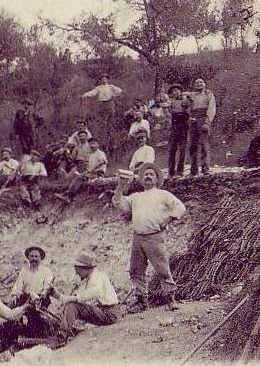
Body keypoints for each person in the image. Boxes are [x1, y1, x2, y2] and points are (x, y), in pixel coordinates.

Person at [112, 163, 187, 313]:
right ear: (140, 179)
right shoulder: (136, 197)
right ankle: (141, 301)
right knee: (136, 270)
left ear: (157, 178)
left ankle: (170, 299)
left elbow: (180, 207)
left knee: (162, 269)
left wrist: (167, 220)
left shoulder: (163, 194)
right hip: (137, 237)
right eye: (145, 174)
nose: (147, 176)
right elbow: (119, 203)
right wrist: (121, 185)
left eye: (151, 174)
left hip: (154, 237)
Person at [56, 254, 119, 342]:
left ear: (85, 268)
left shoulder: (96, 277)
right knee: (72, 305)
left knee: (73, 306)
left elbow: (95, 292)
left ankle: (62, 336)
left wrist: (75, 299)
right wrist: (60, 296)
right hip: (105, 311)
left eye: (77, 270)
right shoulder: (92, 277)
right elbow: (81, 295)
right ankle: (66, 331)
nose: (76, 273)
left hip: (109, 313)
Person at [9, 246, 57, 339]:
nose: (34, 259)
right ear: (28, 257)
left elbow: (48, 285)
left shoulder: (46, 271)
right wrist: (15, 295)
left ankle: (34, 336)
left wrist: (43, 294)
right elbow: (18, 285)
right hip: (26, 298)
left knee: (35, 316)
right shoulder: (24, 271)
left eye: (36, 256)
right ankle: (16, 335)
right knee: (14, 311)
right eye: (32, 256)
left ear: (40, 258)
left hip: (41, 298)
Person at [55, 137, 108, 204]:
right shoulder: (91, 154)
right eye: (91, 144)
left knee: (79, 178)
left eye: (94, 143)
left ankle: (69, 196)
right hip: (91, 173)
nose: (92, 145)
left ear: (98, 145)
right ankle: (67, 194)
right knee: (77, 176)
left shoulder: (100, 153)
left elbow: (102, 161)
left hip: (98, 174)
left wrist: (92, 169)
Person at [81, 75, 122, 149]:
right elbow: (92, 93)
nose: (104, 80)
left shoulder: (111, 87)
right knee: (103, 123)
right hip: (102, 105)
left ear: (107, 79)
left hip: (110, 104)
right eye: (102, 79)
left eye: (105, 79)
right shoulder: (99, 88)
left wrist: (114, 95)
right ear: (100, 80)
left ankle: (111, 137)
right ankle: (103, 139)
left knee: (111, 122)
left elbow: (119, 90)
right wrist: (85, 95)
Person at [187, 78, 216, 176]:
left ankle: (206, 168)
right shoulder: (192, 96)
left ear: (204, 84)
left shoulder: (209, 95)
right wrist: (190, 117)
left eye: (201, 82)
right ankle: (193, 169)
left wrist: (207, 122)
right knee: (192, 146)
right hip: (193, 120)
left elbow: (211, 108)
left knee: (204, 145)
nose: (199, 84)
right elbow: (186, 105)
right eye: (197, 82)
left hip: (203, 119)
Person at [167, 84, 191, 178]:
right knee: (172, 149)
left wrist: (185, 96)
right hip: (174, 127)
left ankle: (180, 171)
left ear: (180, 91)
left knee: (182, 149)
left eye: (177, 90)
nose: (175, 92)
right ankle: (171, 172)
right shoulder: (171, 102)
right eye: (173, 91)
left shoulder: (186, 100)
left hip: (183, 127)